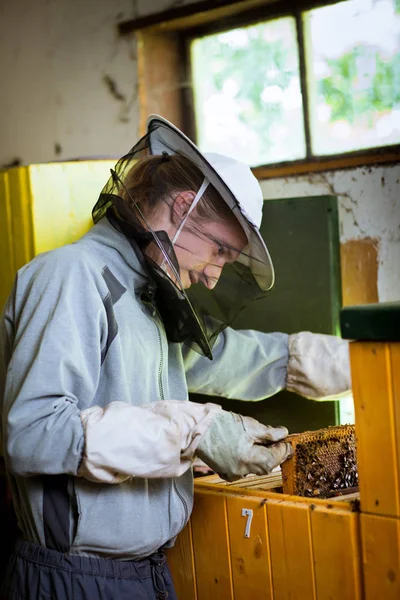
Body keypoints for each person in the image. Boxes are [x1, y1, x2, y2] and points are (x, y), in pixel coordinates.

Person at [0, 115, 351, 600]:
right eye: (218, 252)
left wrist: (342, 361)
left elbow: (222, 357)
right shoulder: (71, 277)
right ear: (183, 208)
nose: (212, 278)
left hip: (146, 573)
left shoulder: (147, 296)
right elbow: (33, 433)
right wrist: (191, 431)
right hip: (75, 579)